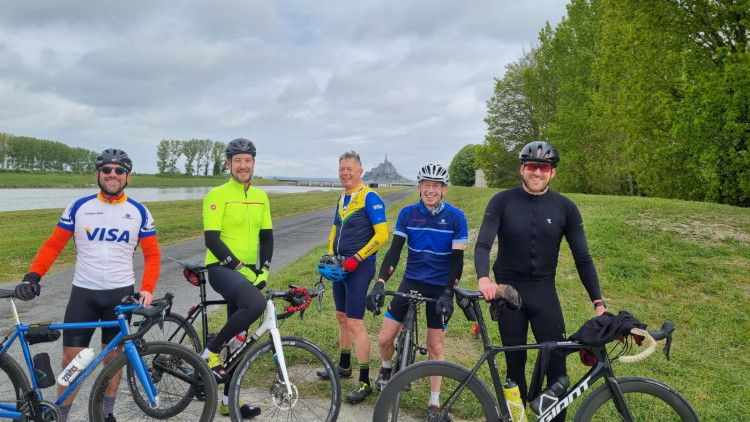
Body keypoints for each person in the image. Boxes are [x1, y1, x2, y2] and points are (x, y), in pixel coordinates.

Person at [15, 148, 161, 422]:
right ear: (98, 174)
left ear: (127, 176)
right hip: (83, 292)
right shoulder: (79, 206)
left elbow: (152, 254)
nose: (112, 174)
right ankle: (61, 417)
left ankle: (106, 414)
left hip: (121, 294)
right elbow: (54, 244)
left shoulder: (139, 211)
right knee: (71, 362)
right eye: (107, 169)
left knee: (114, 360)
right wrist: (33, 275)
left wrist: (147, 287)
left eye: (119, 170)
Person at [474, 140, 607, 421]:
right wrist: (485, 279)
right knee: (515, 365)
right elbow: (483, 243)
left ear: (552, 173)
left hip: (544, 290)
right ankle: (518, 419)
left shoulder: (565, 208)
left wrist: (598, 302)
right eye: (532, 166)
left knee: (557, 367)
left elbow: (582, 257)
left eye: (543, 167)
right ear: (522, 168)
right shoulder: (502, 201)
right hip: (509, 292)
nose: (537, 172)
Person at [366, 163, 468, 419]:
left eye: (436, 186)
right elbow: (395, 252)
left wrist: (448, 292)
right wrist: (380, 283)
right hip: (411, 280)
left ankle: (434, 404)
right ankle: (387, 367)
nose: (430, 190)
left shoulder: (457, 217)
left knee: (435, 347)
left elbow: (457, 261)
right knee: (384, 339)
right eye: (426, 185)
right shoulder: (408, 214)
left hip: (439, 285)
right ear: (419, 187)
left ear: (444, 189)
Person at [202, 137, 272, 419]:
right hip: (221, 269)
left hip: (248, 271)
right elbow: (212, 241)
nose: (243, 166)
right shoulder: (217, 195)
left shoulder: (261, 196)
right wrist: (242, 267)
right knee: (256, 306)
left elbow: (266, 238)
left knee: (240, 341)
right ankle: (212, 352)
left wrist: (264, 269)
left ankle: (229, 403)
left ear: (253, 163)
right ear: (228, 164)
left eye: (248, 160)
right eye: (237, 161)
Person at [316, 150, 388, 404]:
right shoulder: (342, 198)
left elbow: (382, 236)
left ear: (360, 171)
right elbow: (335, 229)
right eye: (342, 169)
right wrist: (329, 255)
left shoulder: (370, 197)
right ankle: (344, 365)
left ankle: (365, 380)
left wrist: (356, 258)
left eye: (350, 169)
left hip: (360, 266)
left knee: (356, 322)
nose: (345, 173)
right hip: (340, 267)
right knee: (341, 317)